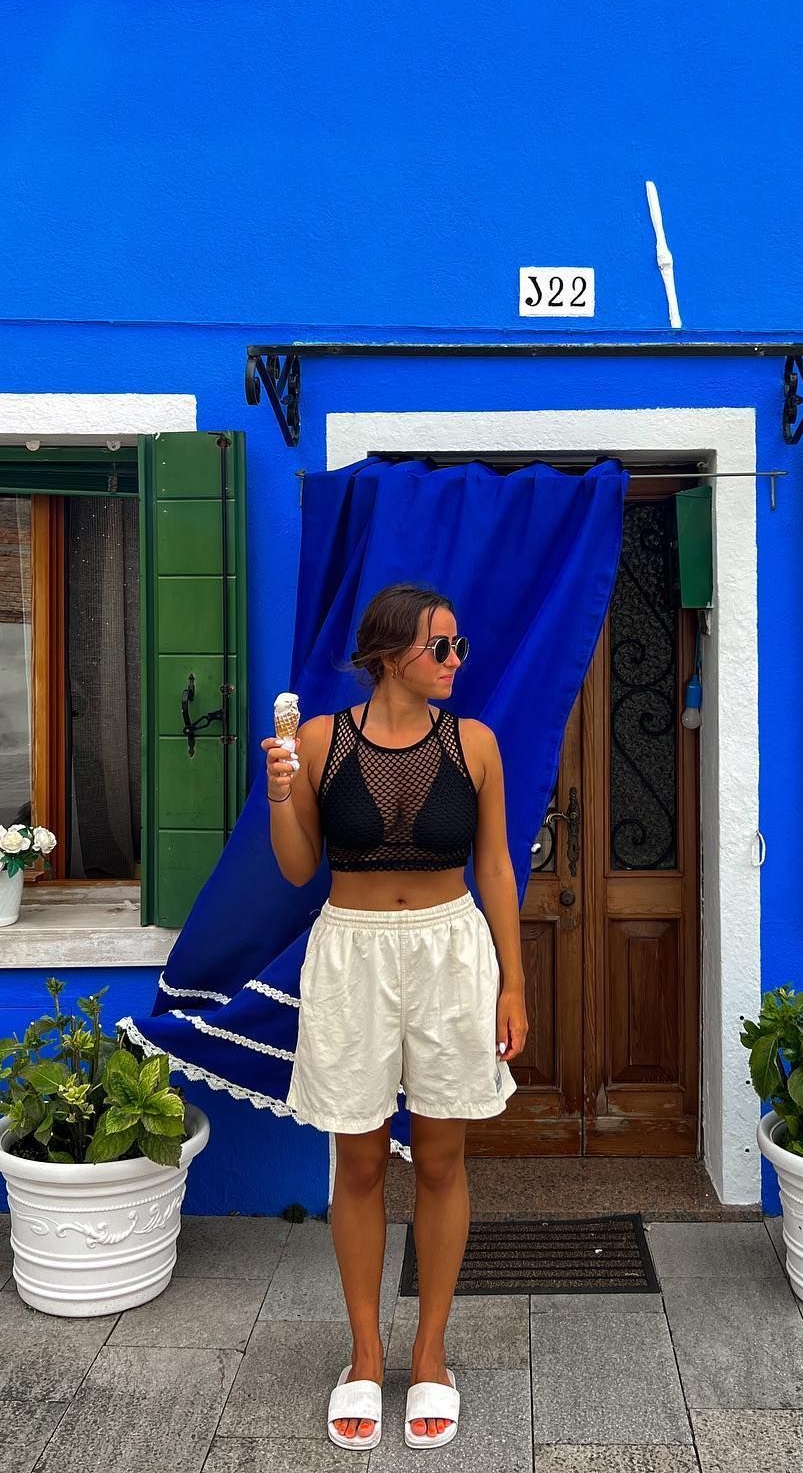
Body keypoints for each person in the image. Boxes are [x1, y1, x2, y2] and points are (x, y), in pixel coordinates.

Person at [260, 583, 528, 1452]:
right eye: (439, 647)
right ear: (386, 655)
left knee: (443, 1160)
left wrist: (514, 985)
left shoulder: (475, 744)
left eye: (457, 646)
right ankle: (367, 1356)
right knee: (360, 1160)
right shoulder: (318, 740)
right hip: (352, 954)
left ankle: (432, 1352)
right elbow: (298, 867)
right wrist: (279, 794)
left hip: (452, 951)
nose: (455, 660)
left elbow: (496, 868)